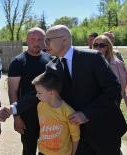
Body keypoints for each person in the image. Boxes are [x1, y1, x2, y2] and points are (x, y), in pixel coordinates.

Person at [11, 25, 127, 155]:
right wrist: (13, 109)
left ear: (64, 40)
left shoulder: (92, 58)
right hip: (76, 134)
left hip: (103, 130)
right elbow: (39, 92)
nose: (45, 44)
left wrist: (86, 114)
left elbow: (113, 90)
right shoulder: (51, 65)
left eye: (48, 40)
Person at [8, 27, 51, 155]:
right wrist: (17, 117)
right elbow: (13, 92)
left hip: (49, 114)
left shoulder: (50, 60)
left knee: (49, 149)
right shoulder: (18, 62)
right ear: (27, 40)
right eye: (33, 39)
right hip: (27, 115)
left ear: (44, 41)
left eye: (40, 39)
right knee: (29, 149)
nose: (36, 42)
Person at [32, 66, 80, 155]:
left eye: (39, 93)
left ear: (51, 93)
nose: (36, 95)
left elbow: (75, 137)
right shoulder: (40, 106)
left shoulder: (68, 112)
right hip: (43, 152)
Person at [93, 35, 127, 107]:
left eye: (101, 45)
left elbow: (122, 85)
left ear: (107, 47)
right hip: (94, 101)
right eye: (95, 45)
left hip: (112, 101)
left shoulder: (117, 64)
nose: (97, 48)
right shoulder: (88, 61)